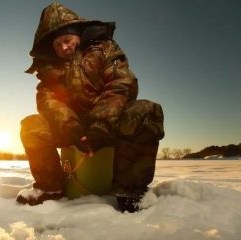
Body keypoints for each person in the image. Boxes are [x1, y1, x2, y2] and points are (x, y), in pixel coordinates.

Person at [17, 2, 164, 212]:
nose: (64, 48)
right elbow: (49, 103)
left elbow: (121, 84)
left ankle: (132, 190)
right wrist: (72, 128)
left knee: (147, 111)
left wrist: (101, 125)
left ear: (78, 34)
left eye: (67, 40)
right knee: (32, 125)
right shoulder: (48, 71)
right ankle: (50, 188)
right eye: (57, 45)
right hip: (73, 129)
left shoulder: (105, 49)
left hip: (110, 123)